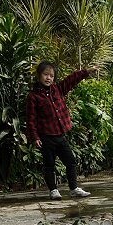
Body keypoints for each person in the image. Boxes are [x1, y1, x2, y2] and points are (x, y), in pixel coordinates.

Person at [25, 61, 97, 200]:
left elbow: (71, 80)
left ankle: (74, 188)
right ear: (39, 76)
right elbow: (31, 120)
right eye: (45, 74)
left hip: (60, 135)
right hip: (45, 137)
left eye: (51, 76)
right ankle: (53, 190)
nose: (48, 78)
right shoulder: (33, 97)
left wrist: (86, 72)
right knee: (49, 165)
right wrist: (35, 137)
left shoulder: (57, 90)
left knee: (70, 161)